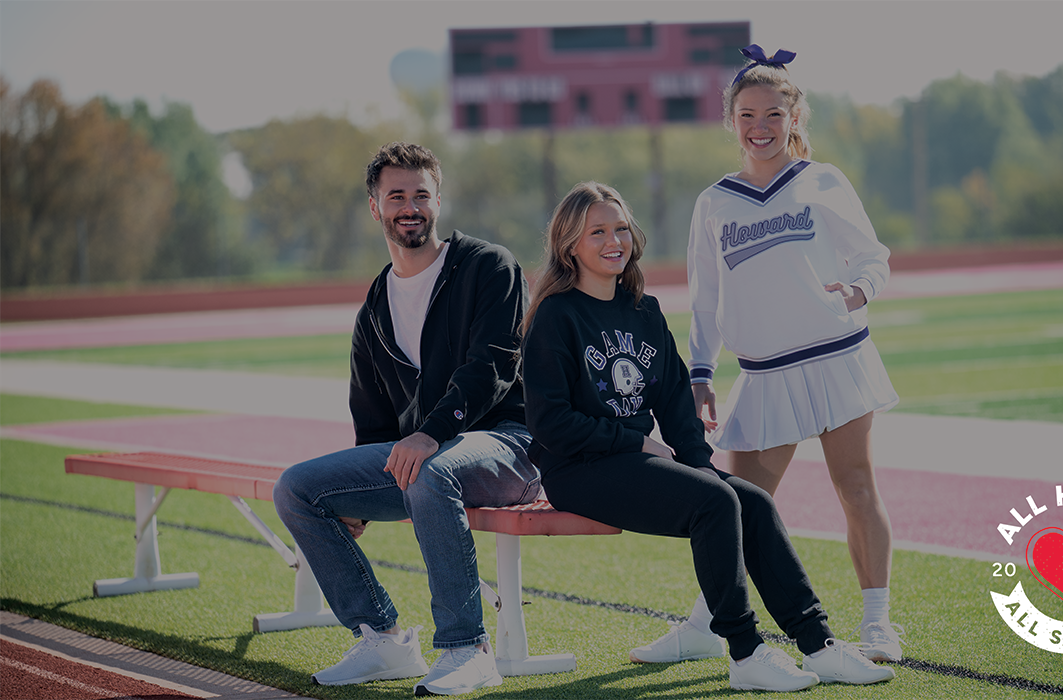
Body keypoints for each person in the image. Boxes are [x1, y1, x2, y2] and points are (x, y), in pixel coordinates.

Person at [521, 181, 894, 690]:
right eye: (598, 233)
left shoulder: (642, 310)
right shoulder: (555, 316)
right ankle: (744, 653)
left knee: (752, 501)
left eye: (621, 229)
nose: (615, 241)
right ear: (569, 245)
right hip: (578, 468)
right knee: (716, 504)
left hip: (631, 459)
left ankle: (818, 645)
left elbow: (675, 400)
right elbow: (549, 424)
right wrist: (636, 443)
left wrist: (699, 464)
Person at [636, 45, 905, 665]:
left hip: (837, 356)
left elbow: (873, 256)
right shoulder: (715, 202)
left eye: (773, 116)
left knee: (856, 486)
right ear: (731, 121)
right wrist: (699, 372)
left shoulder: (823, 181)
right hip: (763, 374)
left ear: (794, 118)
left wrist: (860, 289)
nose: (760, 128)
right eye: (747, 116)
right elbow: (705, 299)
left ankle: (877, 622)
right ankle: (709, 624)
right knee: (731, 505)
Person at [273, 142, 540, 696]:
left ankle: (468, 648)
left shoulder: (489, 266)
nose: (410, 207)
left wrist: (428, 433)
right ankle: (384, 640)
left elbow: (491, 366)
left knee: (429, 469)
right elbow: (371, 416)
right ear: (375, 207)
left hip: (510, 443)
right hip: (423, 455)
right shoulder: (374, 305)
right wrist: (357, 503)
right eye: (396, 196)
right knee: (297, 488)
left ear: (439, 199)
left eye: (421, 194)